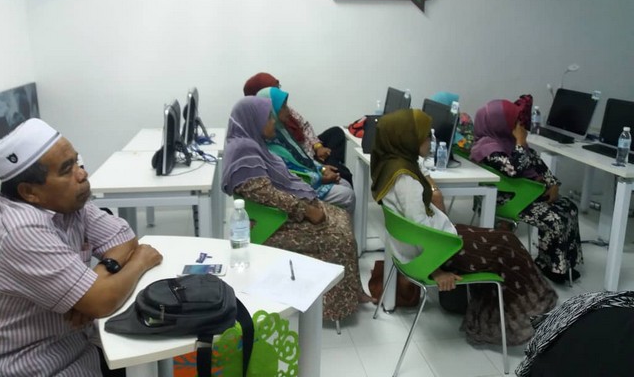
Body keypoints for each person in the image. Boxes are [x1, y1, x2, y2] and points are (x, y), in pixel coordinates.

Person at [370, 109, 557, 346]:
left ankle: (515, 314)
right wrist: (436, 272)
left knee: (504, 240)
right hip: (438, 250)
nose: (430, 141)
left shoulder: (391, 164)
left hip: (436, 242)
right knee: (507, 248)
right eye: (426, 137)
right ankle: (520, 318)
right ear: (409, 140)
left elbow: (419, 222)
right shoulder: (405, 180)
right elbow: (421, 232)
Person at [0, 119, 162, 377]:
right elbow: (102, 301)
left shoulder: (66, 203)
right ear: (29, 192)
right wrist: (140, 260)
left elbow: (124, 238)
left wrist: (94, 284)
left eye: (76, 161)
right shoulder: (21, 230)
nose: (82, 174)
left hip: (82, 346)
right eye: (66, 170)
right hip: (40, 366)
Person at [221, 97, 373, 322]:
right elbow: (267, 195)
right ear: (254, 120)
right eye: (268, 117)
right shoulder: (245, 151)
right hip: (273, 224)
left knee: (341, 217)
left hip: (283, 213)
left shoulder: (252, 143)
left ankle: (351, 291)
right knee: (340, 237)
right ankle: (333, 307)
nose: (273, 121)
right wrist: (306, 210)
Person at [470, 99, 583, 284]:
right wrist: (521, 142)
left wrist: (553, 183)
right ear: (498, 123)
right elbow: (513, 170)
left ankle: (561, 265)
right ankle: (551, 267)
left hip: (528, 194)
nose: (518, 125)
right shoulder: (487, 148)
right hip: (508, 200)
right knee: (555, 219)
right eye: (513, 121)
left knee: (569, 208)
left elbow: (535, 162)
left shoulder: (508, 141)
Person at [256, 86, 355, 214]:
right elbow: (288, 177)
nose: (288, 110)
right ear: (270, 110)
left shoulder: (281, 131)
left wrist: (322, 168)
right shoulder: (269, 142)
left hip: (310, 170)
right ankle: (338, 222)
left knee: (345, 181)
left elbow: (301, 155)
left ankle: (341, 223)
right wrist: (321, 178)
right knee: (347, 194)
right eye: (283, 106)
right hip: (297, 189)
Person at [243, 72, 353, 185]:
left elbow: (304, 125)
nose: (279, 91)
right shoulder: (266, 124)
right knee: (344, 174)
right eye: (274, 88)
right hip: (300, 159)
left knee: (336, 132)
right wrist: (320, 168)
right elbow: (287, 158)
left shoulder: (283, 107)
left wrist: (318, 146)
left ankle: (329, 160)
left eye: (278, 87)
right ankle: (331, 163)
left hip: (307, 148)